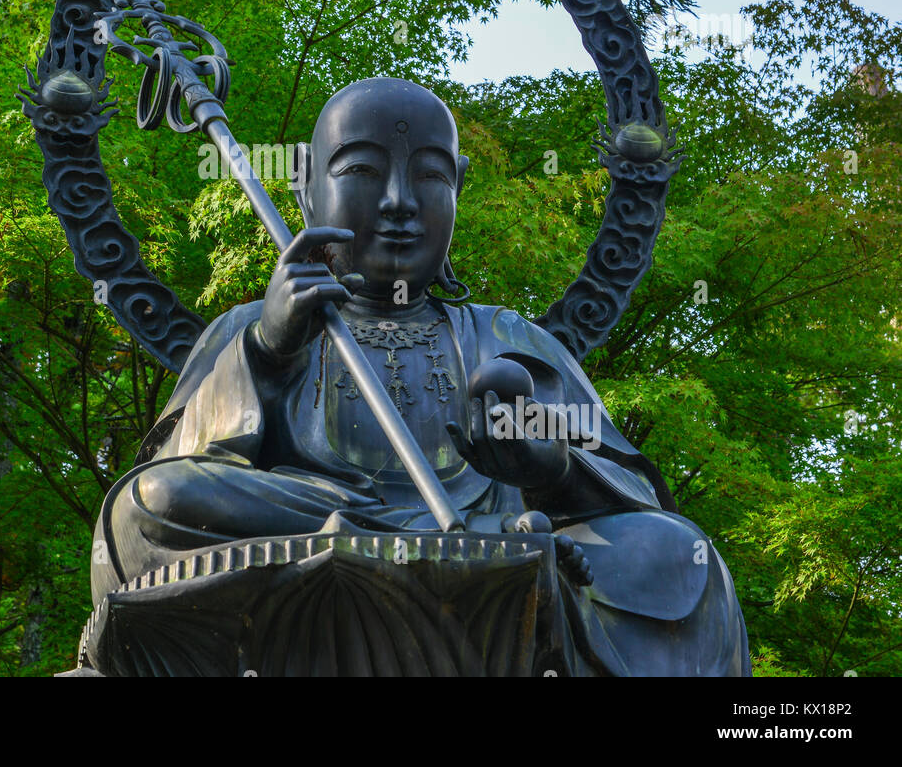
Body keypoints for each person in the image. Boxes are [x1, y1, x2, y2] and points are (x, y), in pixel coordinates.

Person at [90, 77, 749, 675]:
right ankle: (421, 552)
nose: (400, 201)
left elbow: (622, 492)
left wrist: (547, 467)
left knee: (675, 549)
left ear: (457, 188)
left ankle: (442, 560)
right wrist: (268, 347)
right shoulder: (251, 326)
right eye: (364, 171)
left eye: (429, 176)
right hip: (325, 527)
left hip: (489, 544)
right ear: (305, 187)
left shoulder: (507, 334)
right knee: (143, 507)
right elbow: (175, 469)